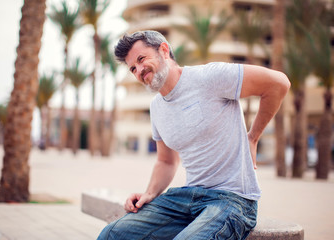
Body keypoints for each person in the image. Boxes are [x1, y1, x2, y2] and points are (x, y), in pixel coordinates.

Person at [97, 30, 290, 240]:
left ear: (163, 50)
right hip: (186, 198)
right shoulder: (157, 108)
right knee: (112, 234)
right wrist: (149, 193)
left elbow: (278, 84)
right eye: (133, 68)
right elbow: (166, 161)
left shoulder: (209, 77)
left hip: (233, 200)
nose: (139, 70)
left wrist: (252, 137)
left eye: (142, 59)